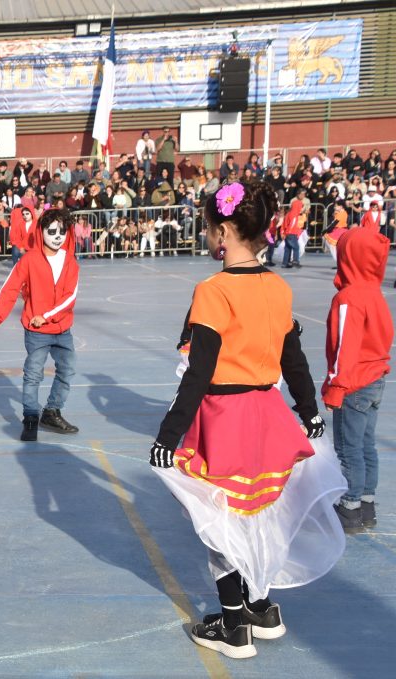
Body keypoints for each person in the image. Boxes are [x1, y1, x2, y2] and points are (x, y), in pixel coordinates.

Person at [149, 180, 342, 660]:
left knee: (220, 520)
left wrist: (168, 435)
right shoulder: (277, 286)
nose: (207, 235)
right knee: (258, 516)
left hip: (224, 418)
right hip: (268, 414)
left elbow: (199, 373)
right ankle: (261, 607)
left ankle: (234, 625)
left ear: (224, 232)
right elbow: (294, 359)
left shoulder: (213, 290)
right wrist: (309, 411)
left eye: (209, 227)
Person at [0, 208, 80, 442]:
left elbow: (70, 297)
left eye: (62, 231)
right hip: (37, 332)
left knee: (67, 370)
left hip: (62, 329)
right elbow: (9, 289)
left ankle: (52, 412)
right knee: (33, 374)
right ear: (41, 232)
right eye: (52, 231)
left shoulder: (70, 261)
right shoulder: (29, 260)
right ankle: (31, 418)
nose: (57, 236)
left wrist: (46, 315)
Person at [322, 220, 392, 533]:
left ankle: (349, 507)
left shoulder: (348, 298)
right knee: (366, 446)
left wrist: (336, 387)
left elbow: (345, 348)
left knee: (348, 448)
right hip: (375, 377)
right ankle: (366, 504)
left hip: (354, 382)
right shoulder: (375, 293)